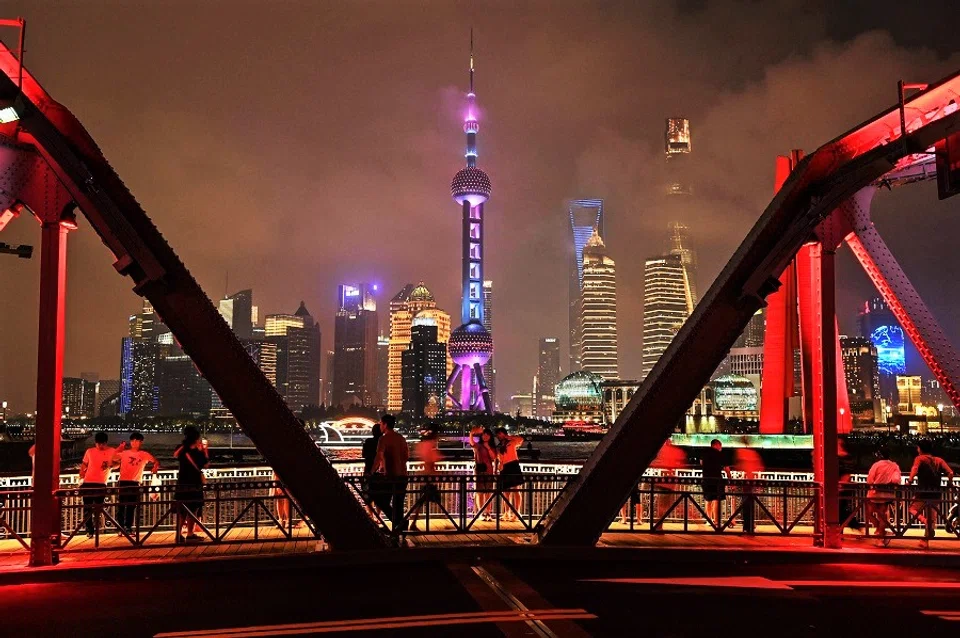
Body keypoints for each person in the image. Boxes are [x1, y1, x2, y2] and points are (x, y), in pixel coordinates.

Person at [908, 439, 954, 549]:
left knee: (912, 509)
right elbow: (950, 472)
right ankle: (925, 541)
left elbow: (914, 469)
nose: (917, 449)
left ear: (921, 449)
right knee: (932, 517)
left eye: (918, 447)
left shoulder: (920, 458)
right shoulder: (939, 460)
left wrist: (910, 480)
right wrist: (950, 483)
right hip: (936, 493)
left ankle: (924, 521)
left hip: (923, 491)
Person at [79, 432, 125, 538]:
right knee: (87, 508)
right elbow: (84, 465)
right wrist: (81, 476)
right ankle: (90, 530)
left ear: (106, 443)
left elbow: (118, 464)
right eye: (98, 444)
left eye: (102, 444)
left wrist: (111, 465)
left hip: (101, 483)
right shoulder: (89, 451)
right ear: (95, 443)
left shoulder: (112, 451)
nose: (100, 446)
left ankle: (98, 528)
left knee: (98, 509)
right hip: (88, 483)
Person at [113, 432, 159, 535]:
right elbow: (113, 458)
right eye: (132, 440)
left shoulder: (144, 454)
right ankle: (120, 528)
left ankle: (128, 528)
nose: (134, 443)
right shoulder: (125, 453)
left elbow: (156, 461)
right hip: (123, 481)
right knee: (121, 506)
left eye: (137, 441)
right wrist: (120, 447)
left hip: (135, 482)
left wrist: (155, 467)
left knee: (131, 507)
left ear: (141, 442)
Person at [371, 414, 409, 532]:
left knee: (380, 500)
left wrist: (371, 472)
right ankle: (399, 528)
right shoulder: (401, 438)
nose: (380, 426)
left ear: (385, 425)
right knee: (399, 504)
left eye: (381, 423)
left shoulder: (383, 439)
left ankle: (400, 523)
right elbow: (406, 456)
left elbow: (379, 457)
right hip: (403, 476)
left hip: (391, 477)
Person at [173, 426, 209, 543]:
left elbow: (175, 455)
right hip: (194, 484)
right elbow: (206, 465)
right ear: (196, 439)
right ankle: (190, 534)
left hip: (182, 483)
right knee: (193, 509)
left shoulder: (182, 449)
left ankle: (178, 535)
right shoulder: (197, 453)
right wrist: (205, 449)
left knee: (182, 510)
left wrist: (185, 445)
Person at [408, 423, 443, 531]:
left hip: (425, 477)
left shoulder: (422, 444)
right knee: (434, 500)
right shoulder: (430, 445)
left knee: (422, 501)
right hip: (429, 478)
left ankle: (412, 521)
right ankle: (412, 522)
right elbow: (430, 461)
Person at [865, 447, 901, 547]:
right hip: (887, 495)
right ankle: (881, 535)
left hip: (874, 493)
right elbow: (896, 480)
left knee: (869, 513)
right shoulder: (894, 466)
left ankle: (880, 532)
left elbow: (869, 480)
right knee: (882, 516)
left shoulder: (876, 465)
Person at [495, 428, 525, 522]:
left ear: (504, 434)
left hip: (513, 465)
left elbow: (521, 439)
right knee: (505, 492)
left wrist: (508, 436)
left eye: (499, 434)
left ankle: (517, 513)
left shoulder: (512, 441)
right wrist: (498, 467)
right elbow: (499, 457)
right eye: (497, 435)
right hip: (504, 467)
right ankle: (506, 513)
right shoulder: (499, 446)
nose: (498, 436)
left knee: (516, 490)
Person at [469, 426, 498, 522]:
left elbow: (494, 457)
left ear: (490, 436)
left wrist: (488, 448)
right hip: (479, 471)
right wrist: (472, 433)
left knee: (488, 493)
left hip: (489, 471)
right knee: (480, 492)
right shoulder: (478, 445)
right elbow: (471, 442)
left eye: (487, 435)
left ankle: (488, 512)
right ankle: (481, 512)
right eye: (484, 434)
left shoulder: (492, 447)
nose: (485, 436)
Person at [733, 445, 764, 533]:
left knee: (746, 505)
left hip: (747, 482)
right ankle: (749, 525)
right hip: (751, 482)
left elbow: (738, 467)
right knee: (749, 505)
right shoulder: (753, 454)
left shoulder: (742, 453)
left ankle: (747, 526)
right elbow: (760, 467)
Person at [700, 439, 730, 528]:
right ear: (716, 445)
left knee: (707, 500)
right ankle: (717, 521)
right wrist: (729, 478)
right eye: (720, 446)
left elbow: (701, 463)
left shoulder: (704, 453)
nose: (721, 448)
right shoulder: (719, 454)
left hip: (705, 479)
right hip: (716, 479)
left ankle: (709, 520)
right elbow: (726, 468)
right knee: (716, 500)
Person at [361, 421, 383, 516]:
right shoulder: (383, 442)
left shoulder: (368, 442)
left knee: (368, 495)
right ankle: (379, 517)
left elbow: (364, 454)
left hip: (368, 470)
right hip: (380, 472)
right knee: (380, 495)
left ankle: (371, 516)